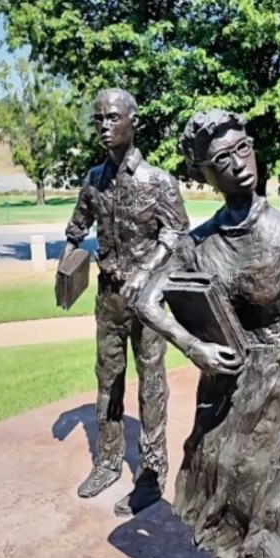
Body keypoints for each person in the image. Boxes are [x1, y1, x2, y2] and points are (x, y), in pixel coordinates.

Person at [135, 110, 280, 558]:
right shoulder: (198, 243)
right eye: (222, 158)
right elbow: (145, 300)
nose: (238, 163)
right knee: (224, 517)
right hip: (224, 400)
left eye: (243, 148)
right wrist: (194, 347)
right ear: (205, 174)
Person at [61, 88, 189, 516]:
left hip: (148, 299)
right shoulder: (94, 179)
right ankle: (108, 460)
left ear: (134, 122)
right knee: (108, 378)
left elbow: (177, 232)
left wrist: (146, 268)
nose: (104, 126)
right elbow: (77, 228)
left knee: (151, 382)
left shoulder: (158, 181)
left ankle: (152, 471)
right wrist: (68, 262)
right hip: (109, 298)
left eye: (113, 118)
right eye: (98, 119)